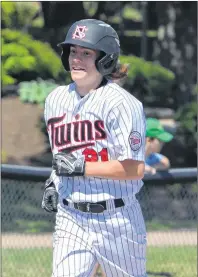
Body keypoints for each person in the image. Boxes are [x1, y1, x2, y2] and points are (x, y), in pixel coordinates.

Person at [42, 19, 147, 277]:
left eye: (86, 53)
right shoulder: (55, 100)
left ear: (106, 60)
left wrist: (82, 168)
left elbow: (135, 169)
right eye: (72, 51)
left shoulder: (122, 104)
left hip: (117, 218)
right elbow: (62, 157)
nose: (76, 59)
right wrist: (53, 183)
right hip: (71, 217)